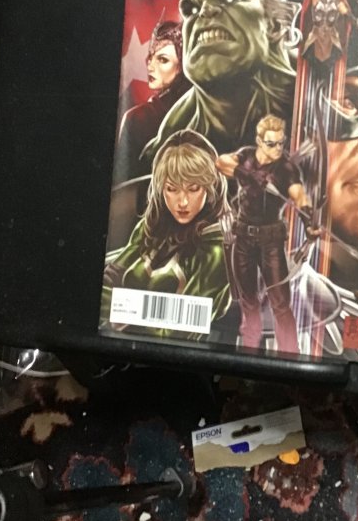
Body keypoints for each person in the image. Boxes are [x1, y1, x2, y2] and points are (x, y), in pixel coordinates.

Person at [141, 0, 300, 168]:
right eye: (191, 9)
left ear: (274, 24)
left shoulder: (323, 96)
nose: (205, 10)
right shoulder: (163, 149)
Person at [101, 129, 230, 339]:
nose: (182, 202)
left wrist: (124, 311)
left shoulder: (216, 248)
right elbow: (109, 280)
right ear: (161, 189)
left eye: (193, 189)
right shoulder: (151, 227)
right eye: (172, 189)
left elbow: (178, 330)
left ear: (211, 187)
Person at [216, 115, 317, 355]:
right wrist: (246, 173)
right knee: (248, 300)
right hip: (243, 238)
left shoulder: (286, 168)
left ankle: (290, 353)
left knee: (280, 303)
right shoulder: (247, 155)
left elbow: (299, 195)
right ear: (259, 141)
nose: (278, 149)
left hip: (270, 242)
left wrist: (308, 219)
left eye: (281, 143)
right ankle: (249, 350)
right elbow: (220, 162)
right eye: (271, 144)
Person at [115, 20, 190, 182]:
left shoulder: (201, 110)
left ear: (183, 65)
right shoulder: (137, 118)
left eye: (163, 60)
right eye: (150, 57)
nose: (150, 66)